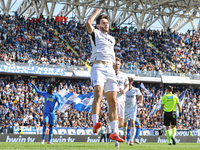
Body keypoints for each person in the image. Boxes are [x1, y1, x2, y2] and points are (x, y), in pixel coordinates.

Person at [86, 8, 124, 142]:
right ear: (98, 25)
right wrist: (96, 12)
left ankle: (114, 132)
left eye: (107, 23)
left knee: (113, 101)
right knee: (99, 94)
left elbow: (112, 55)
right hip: (98, 66)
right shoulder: (95, 33)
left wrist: (115, 69)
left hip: (110, 69)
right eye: (103, 22)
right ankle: (95, 123)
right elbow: (88, 23)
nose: (106, 25)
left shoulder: (112, 39)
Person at [31, 80, 62, 144]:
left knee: (51, 126)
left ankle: (49, 141)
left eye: (48, 88)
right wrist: (34, 85)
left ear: (51, 89)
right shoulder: (45, 94)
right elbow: (38, 92)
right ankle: (43, 139)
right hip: (46, 113)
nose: (47, 89)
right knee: (45, 124)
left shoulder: (56, 96)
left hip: (52, 113)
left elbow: (60, 103)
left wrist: (57, 109)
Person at [113, 57, 129, 147]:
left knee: (121, 123)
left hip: (121, 99)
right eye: (115, 64)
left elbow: (127, 85)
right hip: (113, 99)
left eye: (118, 64)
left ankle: (121, 134)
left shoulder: (123, 75)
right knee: (114, 119)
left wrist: (125, 90)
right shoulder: (109, 74)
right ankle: (116, 140)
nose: (117, 66)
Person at [123, 77, 143, 146]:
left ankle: (132, 140)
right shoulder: (123, 90)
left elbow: (140, 96)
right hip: (125, 109)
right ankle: (124, 135)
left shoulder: (135, 90)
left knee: (133, 122)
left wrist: (140, 102)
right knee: (125, 125)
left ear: (130, 83)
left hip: (133, 109)